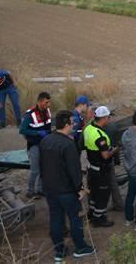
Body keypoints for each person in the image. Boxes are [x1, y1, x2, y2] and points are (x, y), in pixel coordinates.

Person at [40, 110, 95, 261]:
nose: (74, 125)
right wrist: (80, 189)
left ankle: (59, 251)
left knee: (56, 219)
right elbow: (74, 170)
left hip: (50, 189)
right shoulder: (68, 144)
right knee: (75, 218)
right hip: (67, 191)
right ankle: (80, 247)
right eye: (72, 123)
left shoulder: (45, 141)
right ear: (66, 125)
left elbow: (41, 166)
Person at [83, 105, 119, 227]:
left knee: (93, 193)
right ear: (103, 118)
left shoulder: (88, 129)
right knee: (103, 194)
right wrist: (115, 149)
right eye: (108, 117)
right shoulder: (100, 135)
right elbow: (105, 155)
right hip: (101, 170)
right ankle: (99, 218)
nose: (109, 119)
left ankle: (92, 213)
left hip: (91, 167)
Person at [19, 91, 52, 198]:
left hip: (44, 144)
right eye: (47, 102)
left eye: (49, 102)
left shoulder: (47, 111)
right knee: (35, 170)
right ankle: (30, 191)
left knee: (44, 169)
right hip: (34, 145)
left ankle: (40, 190)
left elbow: (48, 126)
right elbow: (22, 130)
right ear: (40, 102)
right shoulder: (30, 114)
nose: (48, 105)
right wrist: (37, 133)